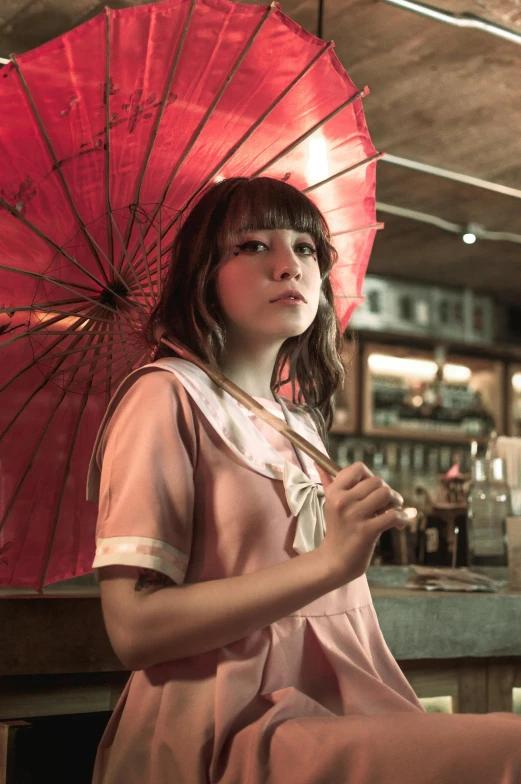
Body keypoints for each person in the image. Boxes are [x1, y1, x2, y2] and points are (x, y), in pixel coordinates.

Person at [87, 177, 521, 784]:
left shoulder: (301, 422)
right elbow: (132, 630)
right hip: (231, 723)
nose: (289, 265)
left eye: (306, 248)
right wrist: (330, 564)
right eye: (252, 246)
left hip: (339, 707)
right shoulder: (165, 395)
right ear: (201, 272)